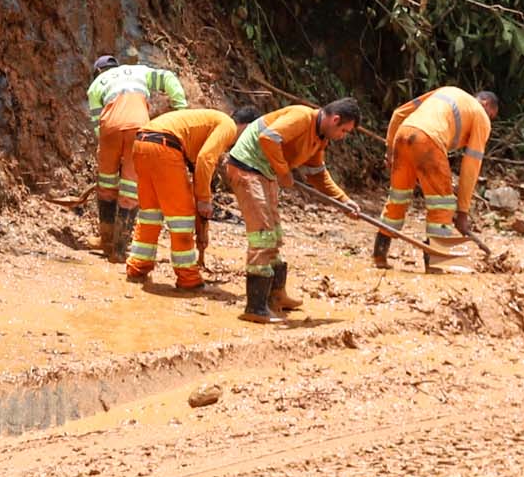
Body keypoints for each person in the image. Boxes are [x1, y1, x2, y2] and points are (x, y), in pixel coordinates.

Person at [200, 99, 363, 323]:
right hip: (247, 169)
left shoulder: (319, 139)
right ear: (335, 120)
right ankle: (255, 307)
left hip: (265, 173)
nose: (342, 136)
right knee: (263, 235)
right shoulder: (302, 116)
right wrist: (284, 171)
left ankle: (276, 295)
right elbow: (269, 137)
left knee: (274, 235)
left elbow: (317, 174)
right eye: (344, 130)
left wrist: (344, 201)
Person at [377, 87, 496, 273]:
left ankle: (379, 254)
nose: (489, 120)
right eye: (491, 115)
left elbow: (399, 113)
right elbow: (471, 166)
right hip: (428, 140)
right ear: (486, 104)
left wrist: (390, 150)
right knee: (442, 205)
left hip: (403, 133)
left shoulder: (446, 91)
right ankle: (434, 262)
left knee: (398, 198)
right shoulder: (481, 116)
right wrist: (462, 212)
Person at [86, 52, 189, 256]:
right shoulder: (138, 71)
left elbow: (98, 125)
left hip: (110, 130)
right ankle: (120, 249)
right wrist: (180, 107)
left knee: (106, 184)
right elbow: (168, 78)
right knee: (131, 188)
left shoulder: (96, 85)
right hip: (138, 127)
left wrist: (106, 150)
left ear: (98, 72)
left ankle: (105, 240)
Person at [123, 104, 234, 292]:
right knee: (181, 218)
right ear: (245, 126)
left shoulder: (202, 123)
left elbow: (195, 162)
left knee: (150, 214)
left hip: (142, 143)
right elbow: (205, 159)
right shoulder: (228, 125)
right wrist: (204, 200)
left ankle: (138, 267)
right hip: (165, 147)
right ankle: (188, 278)